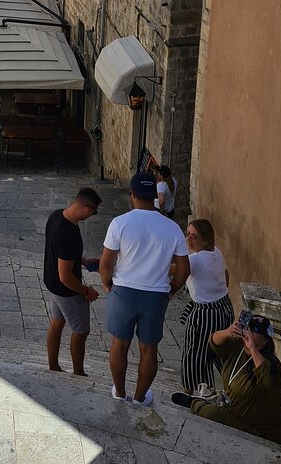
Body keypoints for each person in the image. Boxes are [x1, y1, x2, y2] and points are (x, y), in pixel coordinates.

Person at [99, 172, 189, 406]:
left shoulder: (120, 223)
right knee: (149, 349)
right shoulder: (172, 228)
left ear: (132, 194)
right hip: (156, 294)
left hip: (124, 291)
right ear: (155, 196)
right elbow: (184, 268)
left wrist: (107, 283)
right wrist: (171, 291)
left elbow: (106, 262)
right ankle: (139, 398)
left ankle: (119, 392)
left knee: (119, 344)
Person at [173, 315, 281, 445]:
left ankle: (194, 403)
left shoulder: (272, 363)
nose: (248, 332)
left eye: (255, 331)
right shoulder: (238, 347)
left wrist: (253, 349)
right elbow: (214, 342)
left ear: (265, 341)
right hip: (234, 410)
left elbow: (269, 382)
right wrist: (227, 332)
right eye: (248, 328)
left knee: (209, 412)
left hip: (260, 428)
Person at [43, 189, 102, 375]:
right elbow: (66, 276)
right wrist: (86, 292)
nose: (92, 216)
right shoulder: (68, 234)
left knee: (57, 322)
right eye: (93, 211)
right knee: (81, 330)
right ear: (85, 207)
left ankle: (53, 366)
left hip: (52, 283)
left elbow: (58, 252)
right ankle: (78, 373)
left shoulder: (56, 216)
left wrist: (82, 260)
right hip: (67, 290)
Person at [178, 218, 233, 393]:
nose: (189, 240)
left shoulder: (195, 259)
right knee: (220, 351)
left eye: (194, 236)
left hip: (204, 313)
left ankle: (192, 390)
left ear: (205, 239)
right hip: (224, 307)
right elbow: (226, 276)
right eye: (187, 235)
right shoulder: (217, 252)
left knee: (194, 352)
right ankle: (231, 386)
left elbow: (175, 270)